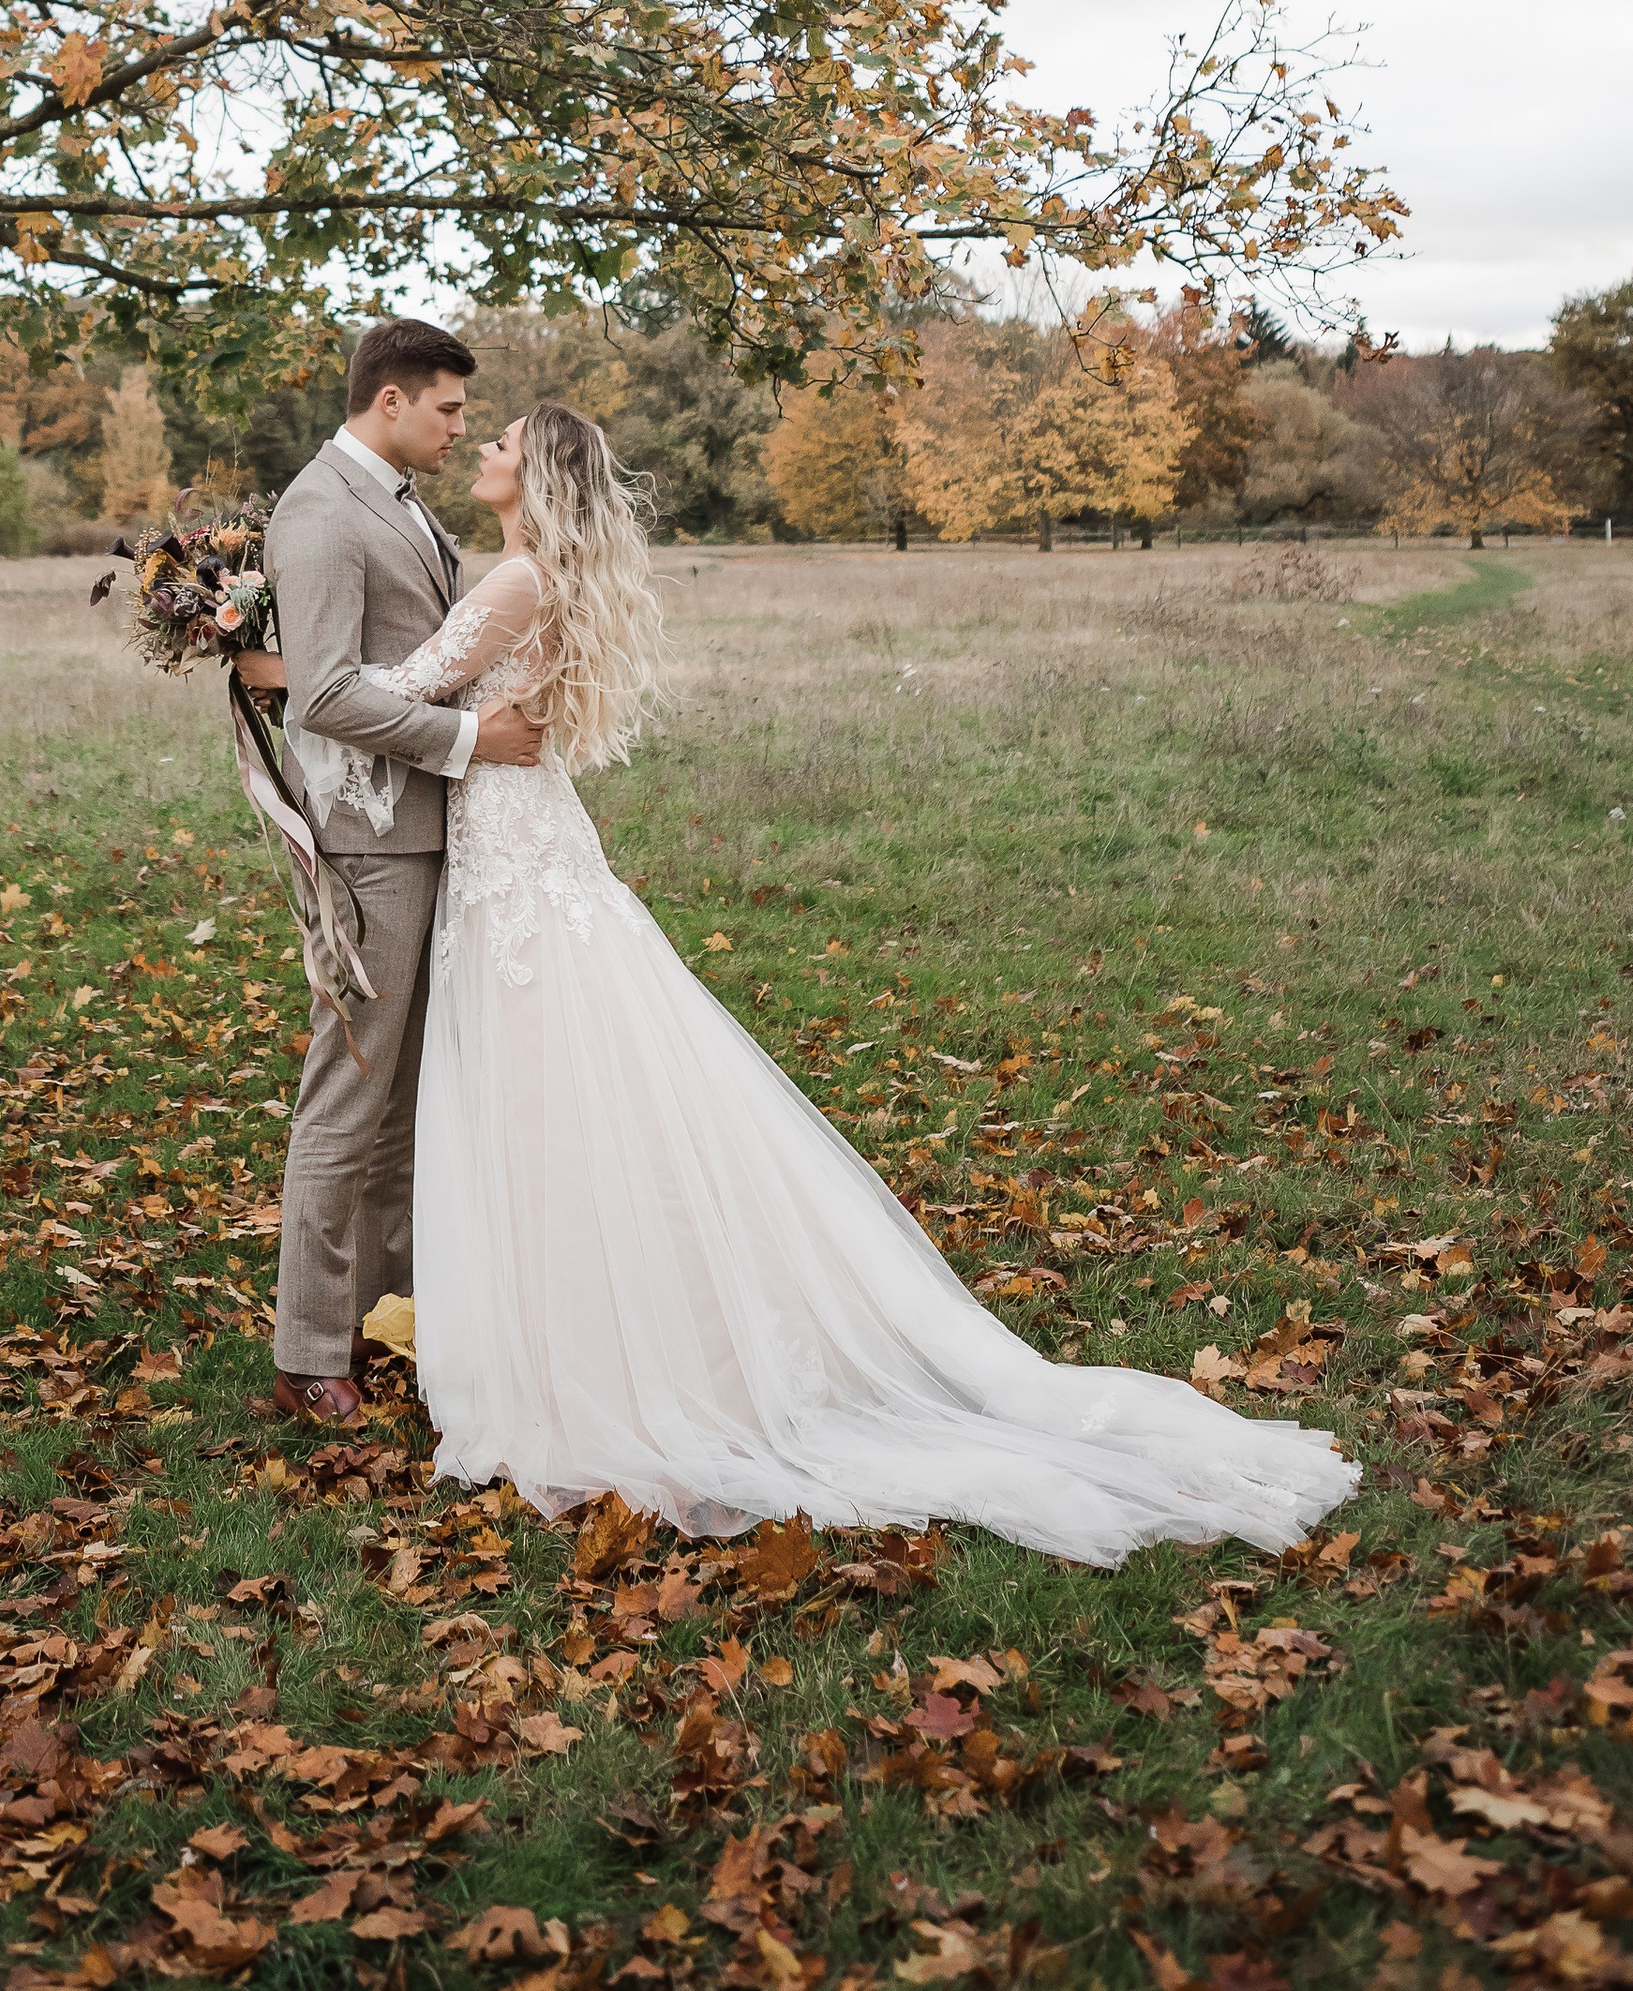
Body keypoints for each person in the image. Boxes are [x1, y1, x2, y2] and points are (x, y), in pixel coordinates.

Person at [377, 399, 1360, 1562]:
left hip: (518, 875)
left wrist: (262, 656)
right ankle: (584, 1337)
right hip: (527, 855)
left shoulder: (515, 585)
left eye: (498, 440)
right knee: (571, 1111)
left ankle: (607, 1366)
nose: (481, 448)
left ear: (532, 471)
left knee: (552, 1109)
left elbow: (389, 695)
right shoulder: (531, 574)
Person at [237, 321, 549, 1428]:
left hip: (433, 836)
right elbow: (322, 694)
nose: (462, 427)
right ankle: (307, 1353)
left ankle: (382, 1322)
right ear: (390, 404)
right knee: (348, 1096)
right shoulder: (321, 513)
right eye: (450, 410)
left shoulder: (402, 506)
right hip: (371, 839)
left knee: (408, 1104)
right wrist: (471, 745)